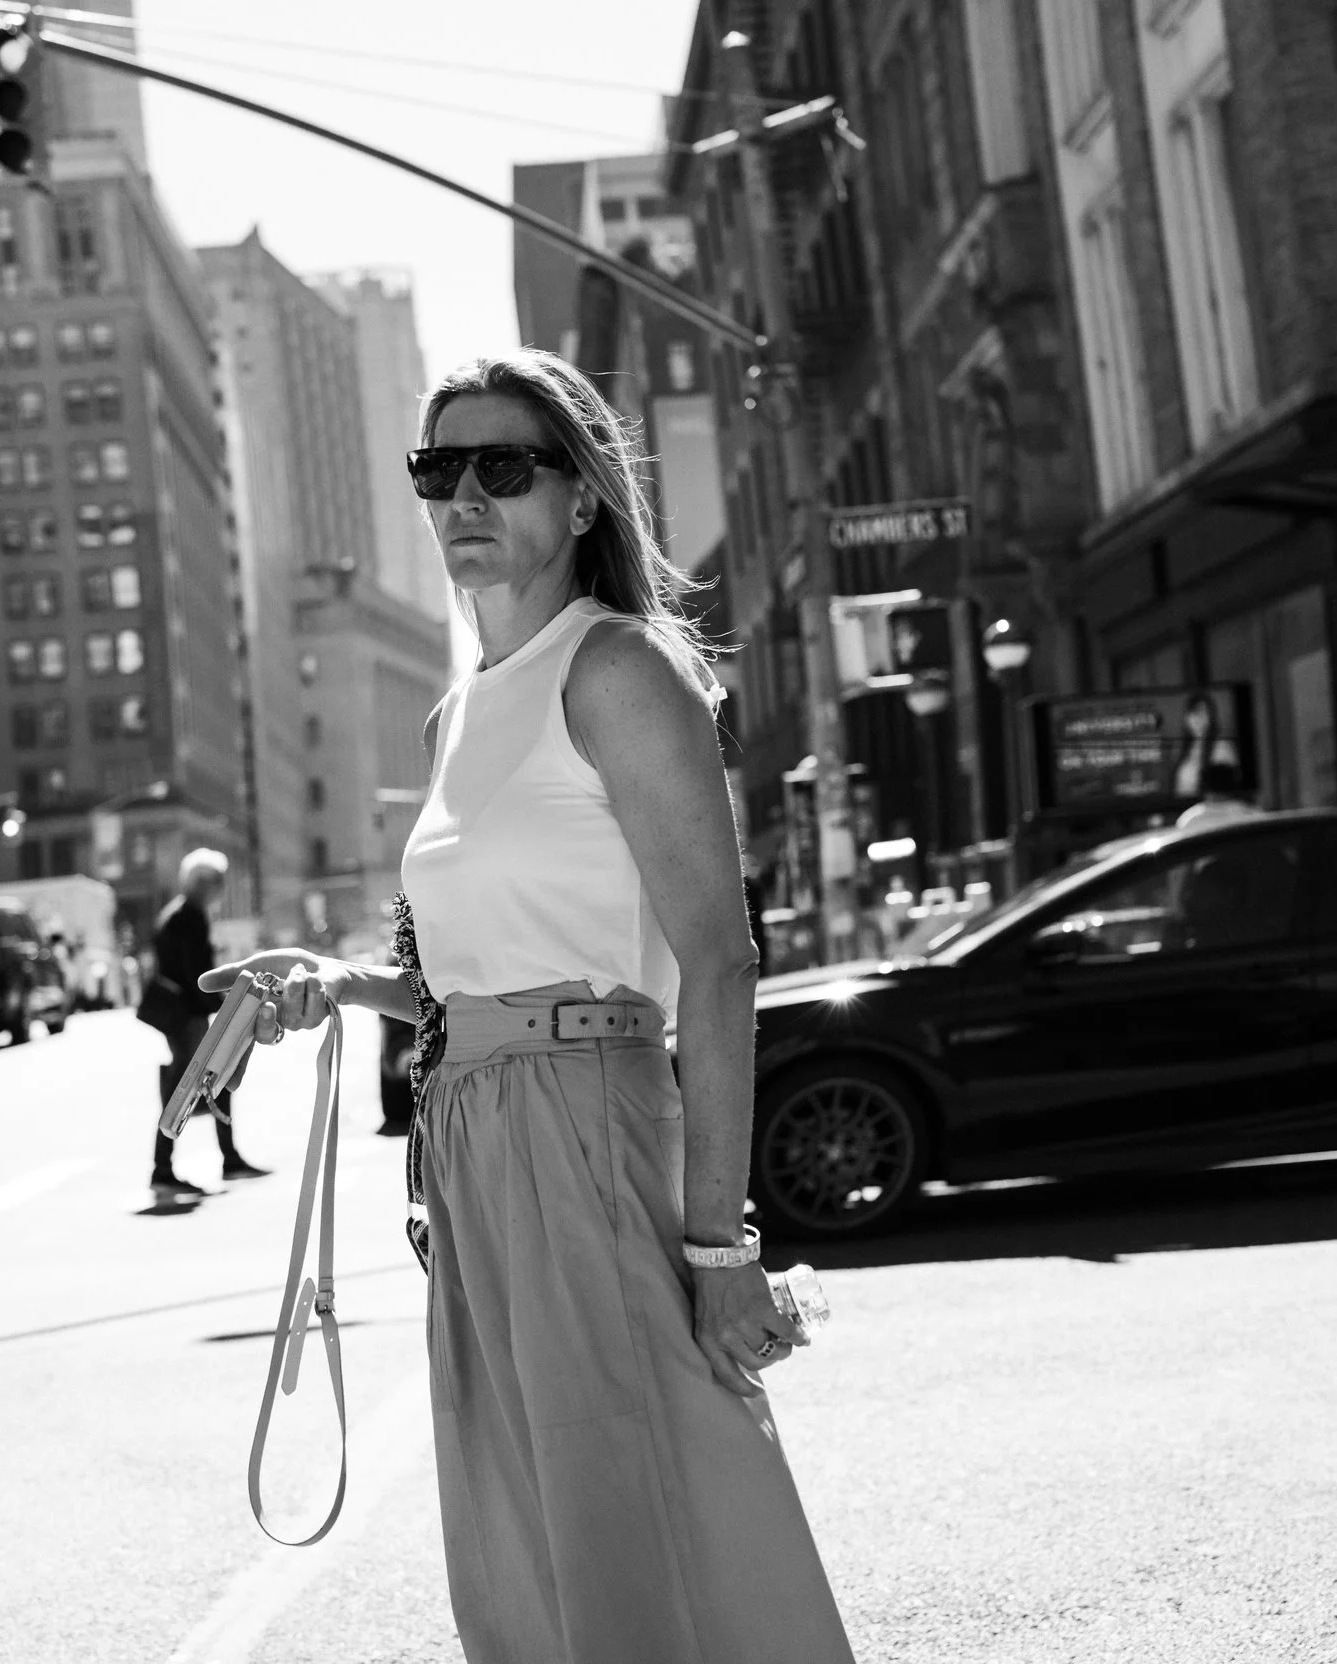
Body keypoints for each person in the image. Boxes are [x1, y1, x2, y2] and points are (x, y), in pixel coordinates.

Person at [204, 350, 852, 1663]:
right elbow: (467, 979)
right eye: (440, 472)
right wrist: (334, 983)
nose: (466, 499)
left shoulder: (616, 672)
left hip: (585, 1127)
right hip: (474, 1149)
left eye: (506, 468)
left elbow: (718, 965)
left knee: (636, 1518)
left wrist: (720, 1250)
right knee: (526, 1536)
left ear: (583, 500)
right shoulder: (458, 715)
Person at [148, 849, 268, 1202]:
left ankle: (225, 1159)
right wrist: (225, 1004)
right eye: (218, 883)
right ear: (202, 883)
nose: (220, 891)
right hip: (188, 1017)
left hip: (181, 1016)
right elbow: (198, 974)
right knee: (188, 1088)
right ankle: (163, 1169)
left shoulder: (175, 914)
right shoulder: (189, 916)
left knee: (208, 1080)